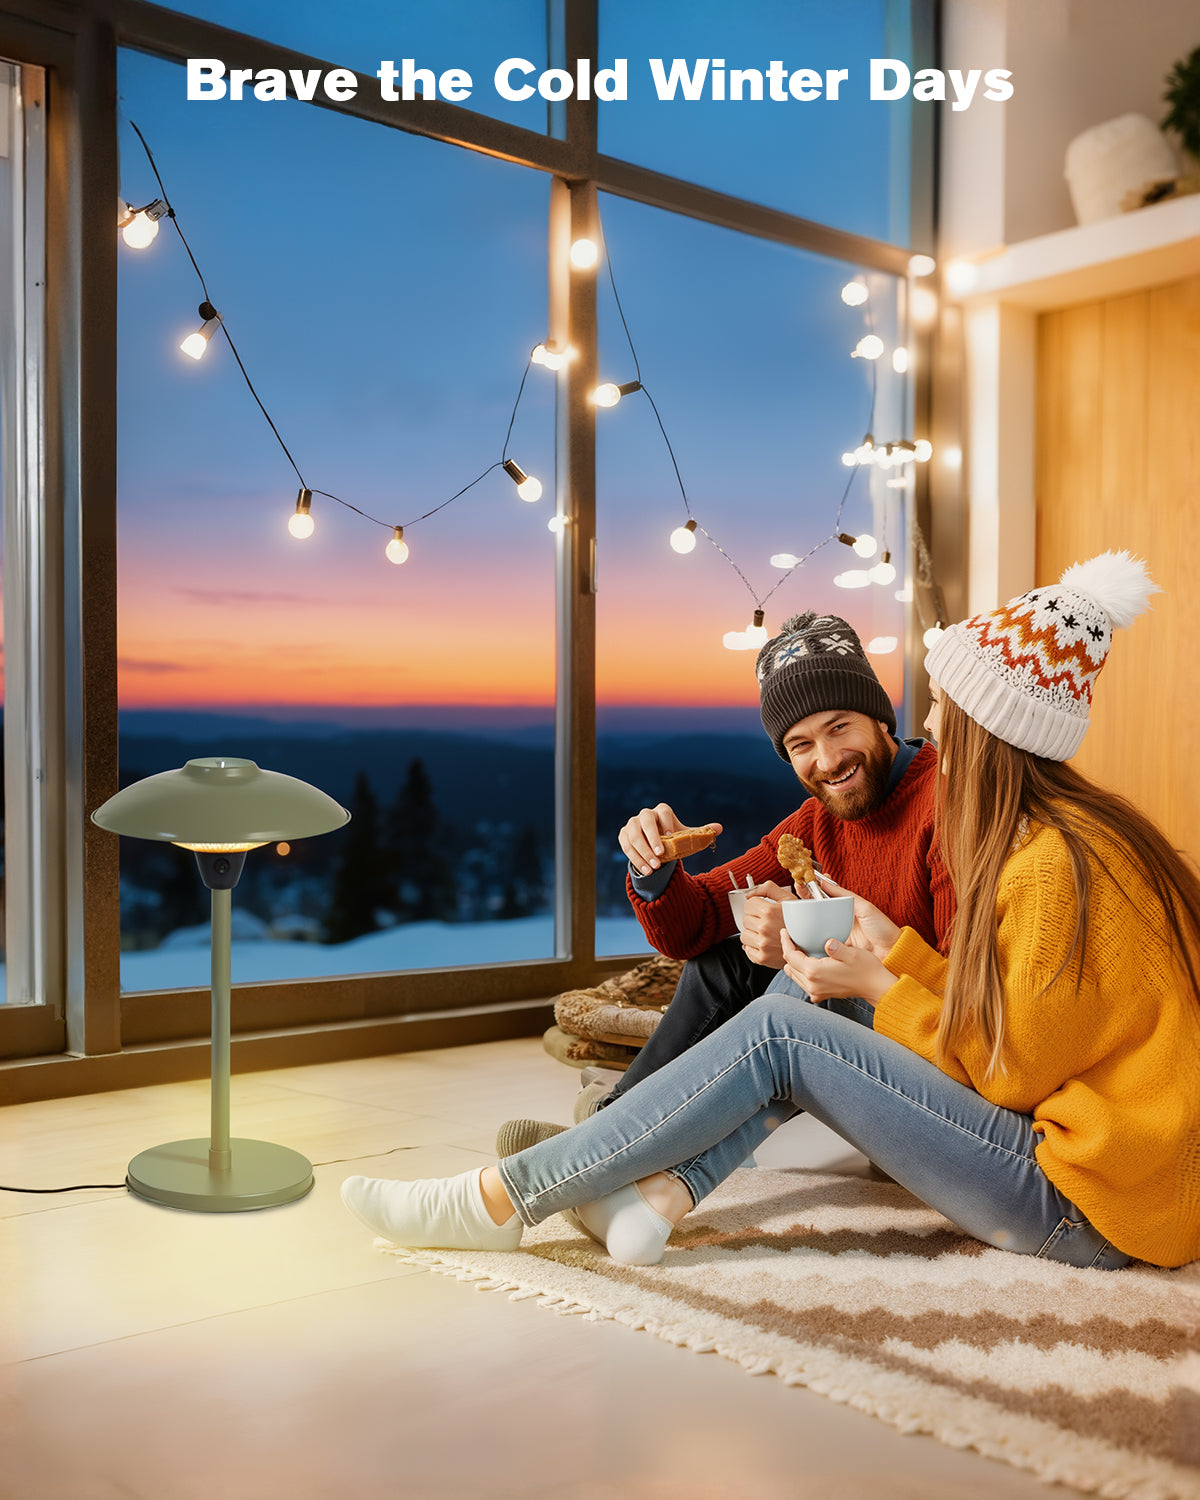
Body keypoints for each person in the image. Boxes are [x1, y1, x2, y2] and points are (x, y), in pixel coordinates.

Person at [342, 551, 1200, 1272]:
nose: (931, 733)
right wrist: (661, 877)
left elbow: (1010, 1070)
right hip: (1098, 1173)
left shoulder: (1042, 859)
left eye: (941, 714)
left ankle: (508, 1195)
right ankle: (650, 1193)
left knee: (790, 1024)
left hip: (1088, 1203)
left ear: (983, 732)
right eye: (800, 743)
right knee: (787, 997)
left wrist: (882, 972)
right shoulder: (1064, 836)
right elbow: (1013, 1027)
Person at [497, 610, 956, 1152]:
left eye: (839, 727)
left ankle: (607, 1135)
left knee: (779, 975)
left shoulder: (947, 805)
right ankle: (620, 1127)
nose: (828, 760)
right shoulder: (813, 826)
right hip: (848, 1036)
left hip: (931, 1059)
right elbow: (694, 928)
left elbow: (961, 991)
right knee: (727, 954)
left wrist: (804, 942)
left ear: (881, 718)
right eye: (800, 745)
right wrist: (655, 868)